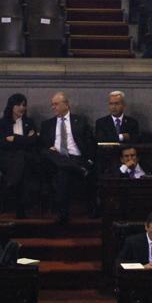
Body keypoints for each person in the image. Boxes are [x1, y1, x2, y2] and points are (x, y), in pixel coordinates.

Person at [40, 91, 96, 224]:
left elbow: (90, 143)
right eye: (52, 105)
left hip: (75, 157)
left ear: (66, 104)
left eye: (56, 104)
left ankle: (63, 214)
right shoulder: (47, 124)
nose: (53, 107)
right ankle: (78, 169)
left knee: (63, 172)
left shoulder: (80, 121)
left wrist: (89, 161)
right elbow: (42, 146)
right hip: (55, 157)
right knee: (50, 156)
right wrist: (50, 149)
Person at [0, 94, 39, 218]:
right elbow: (2, 143)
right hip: (7, 159)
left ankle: (11, 184)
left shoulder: (29, 122)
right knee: (22, 164)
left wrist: (15, 139)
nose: (22, 108)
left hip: (27, 159)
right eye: (18, 105)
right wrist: (25, 140)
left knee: (22, 159)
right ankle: (21, 208)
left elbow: (34, 142)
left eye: (24, 105)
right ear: (11, 106)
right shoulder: (2, 123)